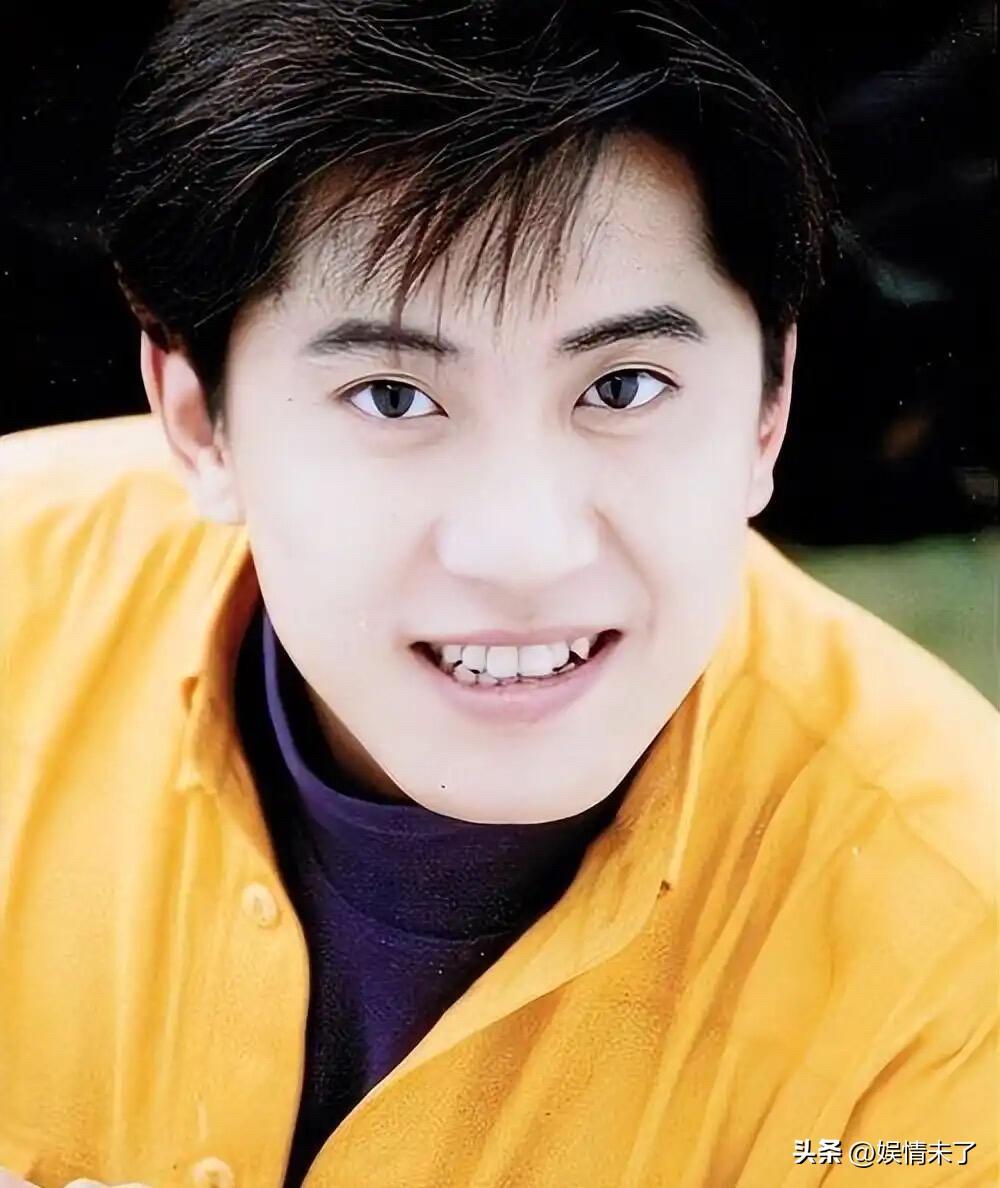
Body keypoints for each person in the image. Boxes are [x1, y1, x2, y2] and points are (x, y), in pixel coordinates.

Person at [1, 2, 995, 1185]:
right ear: (197, 421)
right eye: (392, 397)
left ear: (766, 408)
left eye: (623, 387)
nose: (524, 550)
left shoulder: (959, 930)